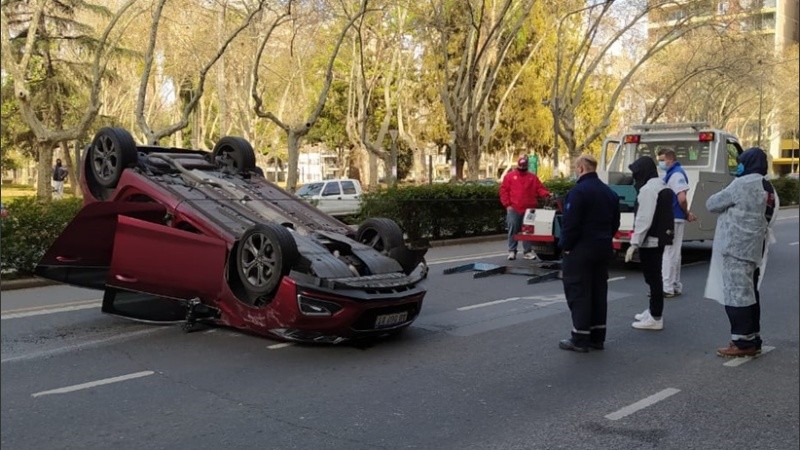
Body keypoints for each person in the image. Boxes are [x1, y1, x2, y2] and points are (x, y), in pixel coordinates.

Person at [705, 147, 777, 357]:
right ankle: (754, 338)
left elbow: (712, 204)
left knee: (737, 296)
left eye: (741, 161)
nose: (739, 165)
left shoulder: (742, 183)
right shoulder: (767, 185)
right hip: (753, 247)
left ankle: (742, 343)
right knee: (750, 294)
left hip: (736, 247)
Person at [557, 155, 620, 352]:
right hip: (602, 247)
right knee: (598, 292)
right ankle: (597, 337)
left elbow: (571, 224)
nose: (576, 171)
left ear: (582, 168)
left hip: (581, 250)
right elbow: (615, 223)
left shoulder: (578, 192)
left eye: (576, 168)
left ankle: (580, 337)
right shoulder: (609, 192)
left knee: (579, 292)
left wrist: (565, 246)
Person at [627, 156, 674, 331]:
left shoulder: (648, 190)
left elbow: (644, 218)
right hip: (659, 237)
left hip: (650, 240)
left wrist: (634, 242)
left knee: (653, 278)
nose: (634, 176)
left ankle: (655, 316)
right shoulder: (660, 185)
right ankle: (653, 311)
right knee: (655, 277)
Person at [657, 148, 697, 297]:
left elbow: (681, 198)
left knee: (669, 253)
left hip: (673, 217)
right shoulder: (674, 173)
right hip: (676, 217)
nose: (660, 162)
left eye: (662, 160)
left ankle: (666, 287)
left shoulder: (676, 174)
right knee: (675, 252)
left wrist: (686, 213)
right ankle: (675, 285)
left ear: (670, 159)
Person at [499, 155, 551, 260]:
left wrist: (546, 194)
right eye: (521, 165)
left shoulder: (532, 177)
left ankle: (527, 251)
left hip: (529, 208)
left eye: (524, 165)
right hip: (514, 207)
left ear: (526, 165)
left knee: (528, 230)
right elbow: (503, 191)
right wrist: (507, 205)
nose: (522, 167)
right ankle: (512, 250)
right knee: (513, 228)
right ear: (518, 164)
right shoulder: (509, 177)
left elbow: (539, 189)